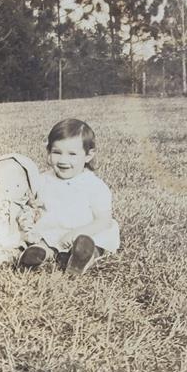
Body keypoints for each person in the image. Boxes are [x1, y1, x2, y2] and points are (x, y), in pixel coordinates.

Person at [19, 118, 120, 275]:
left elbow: (103, 220)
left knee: (95, 241)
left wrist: (77, 233)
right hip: (53, 230)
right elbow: (29, 201)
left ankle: (84, 257)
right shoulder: (42, 180)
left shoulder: (94, 185)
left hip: (86, 231)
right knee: (46, 241)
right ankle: (39, 253)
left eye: (72, 154)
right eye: (57, 152)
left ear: (88, 155)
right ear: (48, 152)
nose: (63, 160)